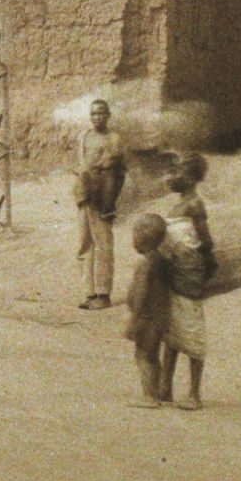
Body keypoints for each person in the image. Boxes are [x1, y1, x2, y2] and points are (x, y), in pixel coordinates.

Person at [160, 152, 216, 409]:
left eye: (180, 172)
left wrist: (197, 264)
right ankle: (165, 387)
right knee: (172, 330)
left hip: (189, 272)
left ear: (192, 178)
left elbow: (207, 242)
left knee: (191, 329)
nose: (174, 176)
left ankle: (194, 394)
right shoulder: (180, 203)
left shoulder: (194, 205)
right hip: (173, 271)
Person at [76, 99, 127, 310]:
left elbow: (120, 174)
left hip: (102, 200)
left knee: (104, 246)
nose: (97, 117)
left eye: (101, 113)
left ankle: (104, 294)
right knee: (84, 245)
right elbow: (82, 167)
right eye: (94, 114)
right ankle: (89, 293)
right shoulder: (84, 137)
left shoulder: (114, 139)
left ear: (108, 115)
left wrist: (110, 200)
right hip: (84, 197)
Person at [123, 213, 173, 408]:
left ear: (141, 238)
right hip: (160, 316)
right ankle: (160, 391)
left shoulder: (145, 265)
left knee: (142, 356)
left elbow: (142, 291)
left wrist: (133, 318)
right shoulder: (160, 260)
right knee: (153, 355)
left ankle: (149, 396)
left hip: (146, 316)